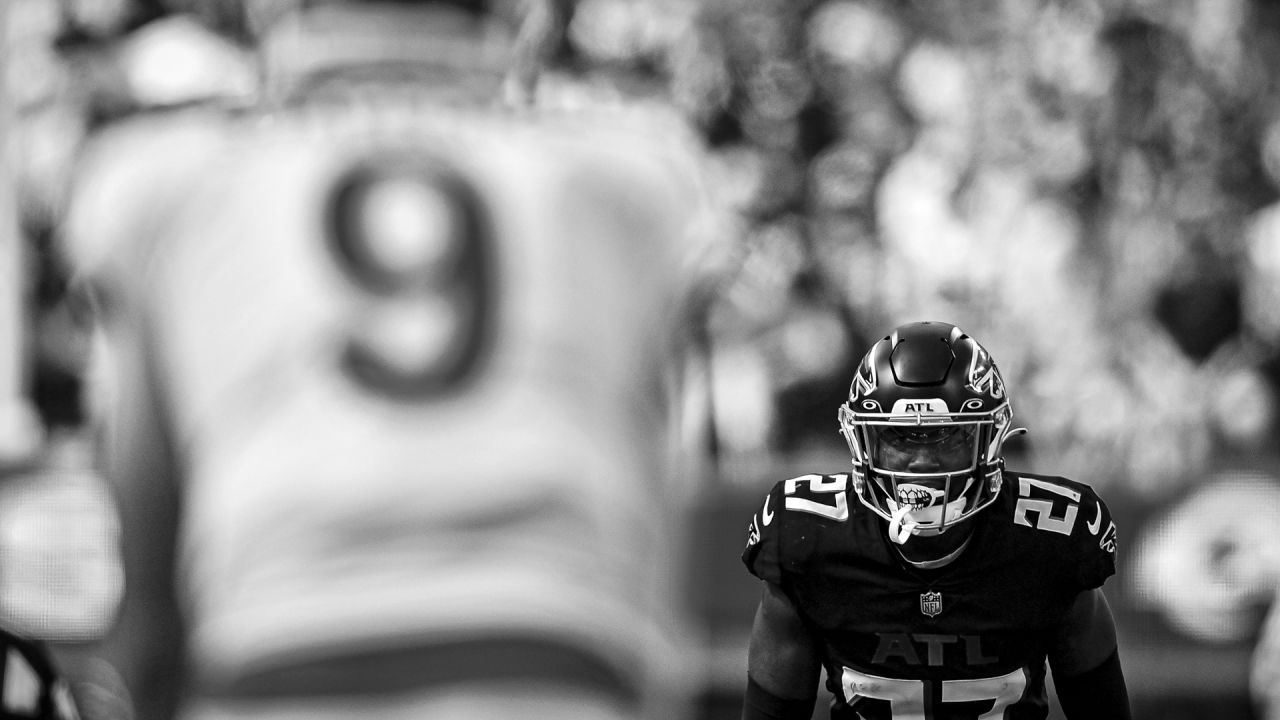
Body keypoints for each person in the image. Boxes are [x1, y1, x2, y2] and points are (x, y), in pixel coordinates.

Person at [59, 1, 718, 719]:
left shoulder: (173, 176)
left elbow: (147, 548)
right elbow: (654, 477)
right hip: (551, 641)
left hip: (284, 637)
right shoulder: (618, 174)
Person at [739, 320, 1131, 720]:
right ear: (861, 439)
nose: (923, 463)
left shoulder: (1054, 540)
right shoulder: (807, 538)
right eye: (900, 438)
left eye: (949, 438)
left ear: (991, 439)